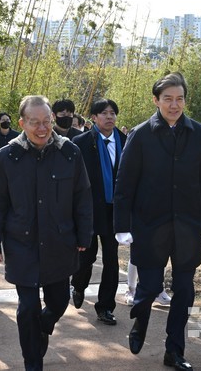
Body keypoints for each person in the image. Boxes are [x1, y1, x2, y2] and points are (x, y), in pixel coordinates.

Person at [0, 95, 93, 370]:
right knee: (27, 307)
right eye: (34, 123)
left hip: (60, 240)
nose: (42, 128)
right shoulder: (8, 156)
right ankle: (33, 362)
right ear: (22, 123)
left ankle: (43, 326)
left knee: (59, 301)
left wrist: (84, 235)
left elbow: (83, 197)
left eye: (46, 121)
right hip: (23, 243)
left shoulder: (69, 152)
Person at [113, 72, 201, 370]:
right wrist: (122, 226)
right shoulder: (141, 134)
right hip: (149, 225)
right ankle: (139, 322)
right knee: (148, 289)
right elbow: (125, 183)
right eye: (168, 99)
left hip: (188, 225)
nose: (174, 105)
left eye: (179, 99)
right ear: (156, 100)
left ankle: (175, 351)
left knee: (184, 290)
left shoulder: (198, 133)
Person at [70, 98, 126, 325]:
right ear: (93, 117)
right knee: (87, 256)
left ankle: (105, 307)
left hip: (116, 210)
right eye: (104, 113)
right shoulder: (81, 142)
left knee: (112, 260)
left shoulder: (125, 140)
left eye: (113, 112)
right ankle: (78, 284)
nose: (109, 117)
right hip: (90, 210)